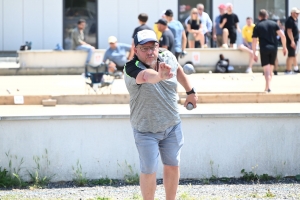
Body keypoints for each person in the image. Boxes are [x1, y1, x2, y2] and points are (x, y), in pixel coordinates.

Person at [124, 29, 197, 200]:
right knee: (149, 169)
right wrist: (159, 75)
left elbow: (178, 69)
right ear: (136, 50)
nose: (150, 52)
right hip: (145, 130)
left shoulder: (167, 55)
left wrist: (190, 91)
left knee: (172, 165)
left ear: (158, 46)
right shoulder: (131, 68)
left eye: (153, 46)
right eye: (144, 48)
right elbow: (146, 77)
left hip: (172, 125)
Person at [252, 9, 287, 93]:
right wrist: (284, 47)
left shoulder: (257, 26)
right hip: (273, 48)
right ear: (267, 16)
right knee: (270, 70)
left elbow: (254, 40)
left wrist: (254, 53)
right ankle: (267, 87)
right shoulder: (274, 24)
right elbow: (282, 36)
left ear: (259, 17)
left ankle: (268, 87)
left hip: (264, 48)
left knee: (266, 70)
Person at [284, 7, 300, 74]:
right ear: (292, 13)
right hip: (291, 41)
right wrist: (292, 41)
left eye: (298, 13)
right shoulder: (289, 20)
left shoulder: (295, 20)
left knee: (293, 54)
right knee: (291, 55)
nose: (298, 14)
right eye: (296, 13)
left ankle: (296, 68)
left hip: (295, 40)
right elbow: (289, 31)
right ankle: (288, 70)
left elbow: (294, 30)